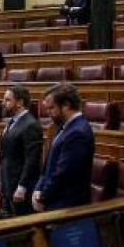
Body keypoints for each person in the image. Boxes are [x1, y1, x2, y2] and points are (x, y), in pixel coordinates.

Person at [33, 82, 95, 212]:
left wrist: (43, 197)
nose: (48, 113)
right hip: (55, 202)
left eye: (51, 108)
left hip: (66, 208)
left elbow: (63, 174)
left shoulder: (77, 133)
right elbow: (48, 166)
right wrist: (38, 189)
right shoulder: (64, 127)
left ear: (66, 105)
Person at [0, 85, 43, 217]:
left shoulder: (30, 124)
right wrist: (0, 182)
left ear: (20, 102)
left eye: (7, 100)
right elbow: (5, 156)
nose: (3, 103)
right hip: (7, 185)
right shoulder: (12, 122)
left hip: (19, 189)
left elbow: (32, 159)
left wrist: (22, 187)